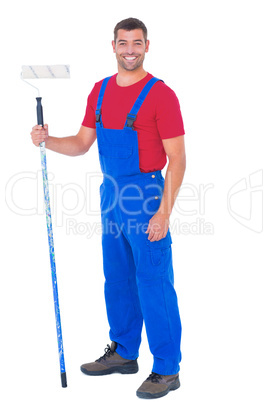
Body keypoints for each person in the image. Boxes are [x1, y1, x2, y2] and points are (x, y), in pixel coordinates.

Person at [31, 17, 186, 400]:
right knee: (116, 278)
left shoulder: (160, 95)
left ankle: (167, 368)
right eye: (123, 43)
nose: (129, 49)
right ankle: (124, 352)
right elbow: (83, 144)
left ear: (147, 46)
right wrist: (47, 140)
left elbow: (178, 160)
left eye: (136, 43)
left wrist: (163, 212)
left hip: (146, 196)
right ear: (113, 46)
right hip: (110, 195)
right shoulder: (99, 92)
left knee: (154, 282)